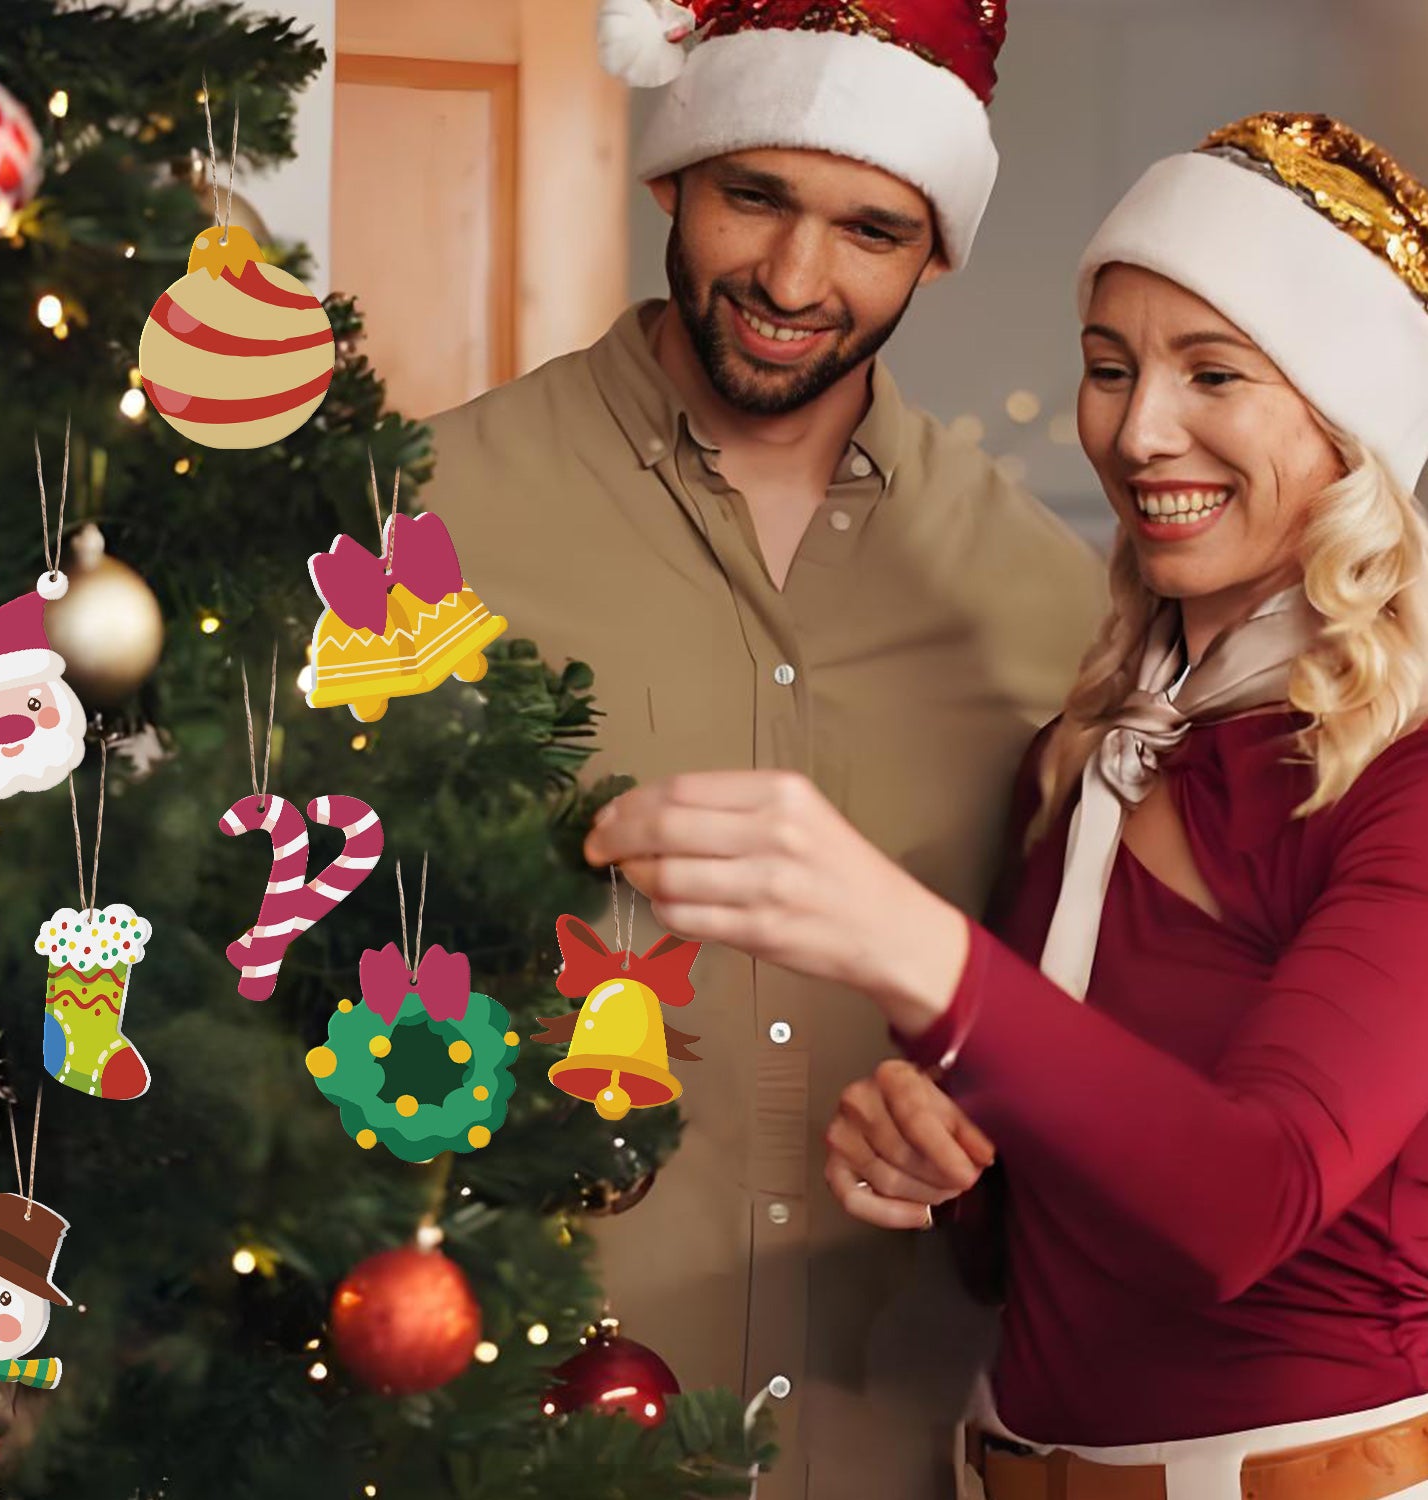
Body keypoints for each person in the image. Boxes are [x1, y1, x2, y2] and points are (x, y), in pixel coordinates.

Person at [584, 110, 1428, 1500]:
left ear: (1349, 425)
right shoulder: (1090, 755)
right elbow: (1056, 1232)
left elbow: (1244, 1204)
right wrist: (947, 1165)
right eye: (1109, 368)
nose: (1137, 428)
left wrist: (907, 945)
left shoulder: (1399, 779)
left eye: (1213, 373)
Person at [422, 1, 1104, 1494]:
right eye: (755, 197)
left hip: (906, 1435)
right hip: (511, 1423)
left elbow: (1100, 1030)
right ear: (672, 177)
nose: (797, 280)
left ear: (934, 250)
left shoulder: (1051, 606)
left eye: (870, 229)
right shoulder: (429, 519)